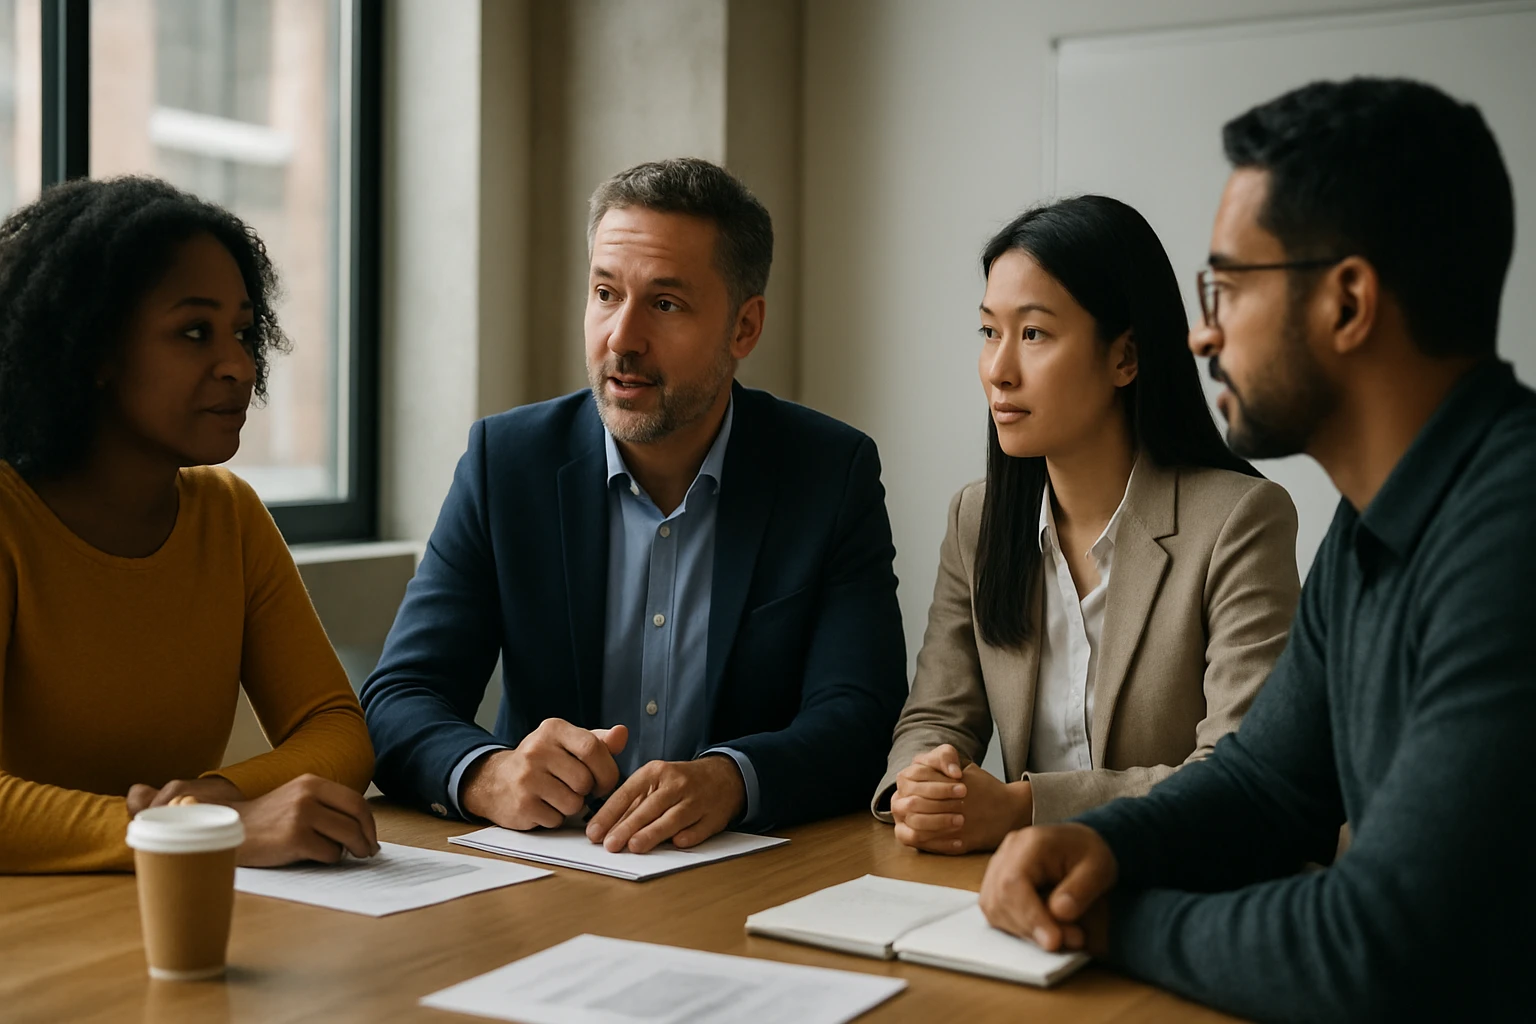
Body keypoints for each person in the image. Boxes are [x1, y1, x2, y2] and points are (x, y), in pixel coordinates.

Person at [979, 78, 1534, 1022]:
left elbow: (1382, 944)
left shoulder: (1511, 532)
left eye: (1228, 288)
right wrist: (1106, 847)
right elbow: (1269, 786)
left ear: (1348, 303)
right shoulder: (1376, 519)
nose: (1201, 331)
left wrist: (1111, 919)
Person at [362, 157, 907, 852]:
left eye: (666, 303)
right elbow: (399, 696)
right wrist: (487, 774)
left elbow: (863, 714)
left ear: (744, 328)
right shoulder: (509, 462)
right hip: (547, 873)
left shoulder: (828, 472)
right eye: (604, 293)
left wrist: (731, 778)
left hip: (735, 874)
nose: (622, 338)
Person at [875, 196, 1299, 854]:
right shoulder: (978, 518)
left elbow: (1236, 770)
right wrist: (923, 782)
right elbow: (936, 716)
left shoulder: (1239, 520)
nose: (999, 369)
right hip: (1016, 889)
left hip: (1174, 885)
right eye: (989, 331)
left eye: (1034, 334)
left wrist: (1027, 808)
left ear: (1125, 356)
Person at [0, 176, 378, 874]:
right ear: (92, 352)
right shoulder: (9, 518)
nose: (238, 366)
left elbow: (335, 730)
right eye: (194, 332)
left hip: (168, 906)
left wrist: (221, 799)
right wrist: (197, 829)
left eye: (241, 332)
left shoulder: (229, 516)